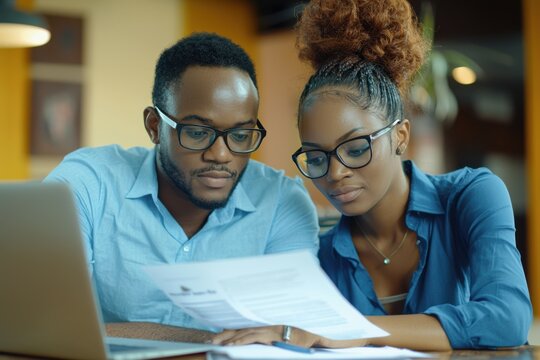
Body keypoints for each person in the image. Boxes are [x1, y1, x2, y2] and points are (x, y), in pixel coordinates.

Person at [212, 0, 532, 350]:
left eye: (356, 148)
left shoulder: (471, 196)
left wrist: (352, 330)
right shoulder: (322, 256)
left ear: (400, 136)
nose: (335, 173)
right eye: (316, 157)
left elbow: (507, 318)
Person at [44, 32, 319, 340]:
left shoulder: (282, 202)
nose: (221, 154)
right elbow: (47, 322)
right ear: (154, 126)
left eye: (241, 136)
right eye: (198, 132)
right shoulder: (87, 184)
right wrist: (204, 339)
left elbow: (287, 333)